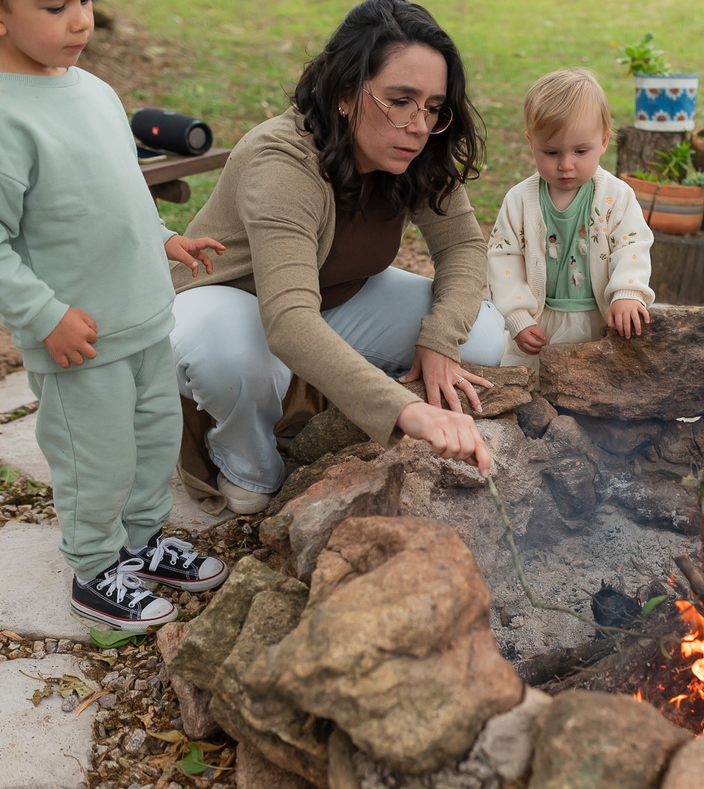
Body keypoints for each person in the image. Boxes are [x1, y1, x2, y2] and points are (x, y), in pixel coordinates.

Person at [0, 0, 230, 632]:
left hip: (146, 318)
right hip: (78, 341)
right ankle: (95, 571)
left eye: (86, 1)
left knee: (153, 443)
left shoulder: (95, 91)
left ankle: (140, 542)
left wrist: (163, 238)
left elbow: (114, 192)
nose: (80, 20)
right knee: (94, 459)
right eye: (55, 6)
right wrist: (43, 314)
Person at [169, 0, 506, 515]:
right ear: (346, 94)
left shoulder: (420, 150)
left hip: (335, 298)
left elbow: (461, 243)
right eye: (401, 101)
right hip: (230, 302)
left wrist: (440, 338)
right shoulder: (281, 159)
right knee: (233, 358)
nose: (420, 124)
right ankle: (246, 462)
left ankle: (330, 426)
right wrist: (406, 412)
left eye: (434, 106)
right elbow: (287, 320)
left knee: (480, 337)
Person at [487, 68, 655, 373]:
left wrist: (627, 292)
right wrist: (517, 316)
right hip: (542, 321)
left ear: (604, 141)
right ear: (531, 143)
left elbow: (632, 246)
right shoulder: (519, 200)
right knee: (533, 384)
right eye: (551, 152)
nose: (565, 165)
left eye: (580, 151)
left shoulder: (615, 197)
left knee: (600, 383)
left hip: (599, 318)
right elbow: (503, 258)